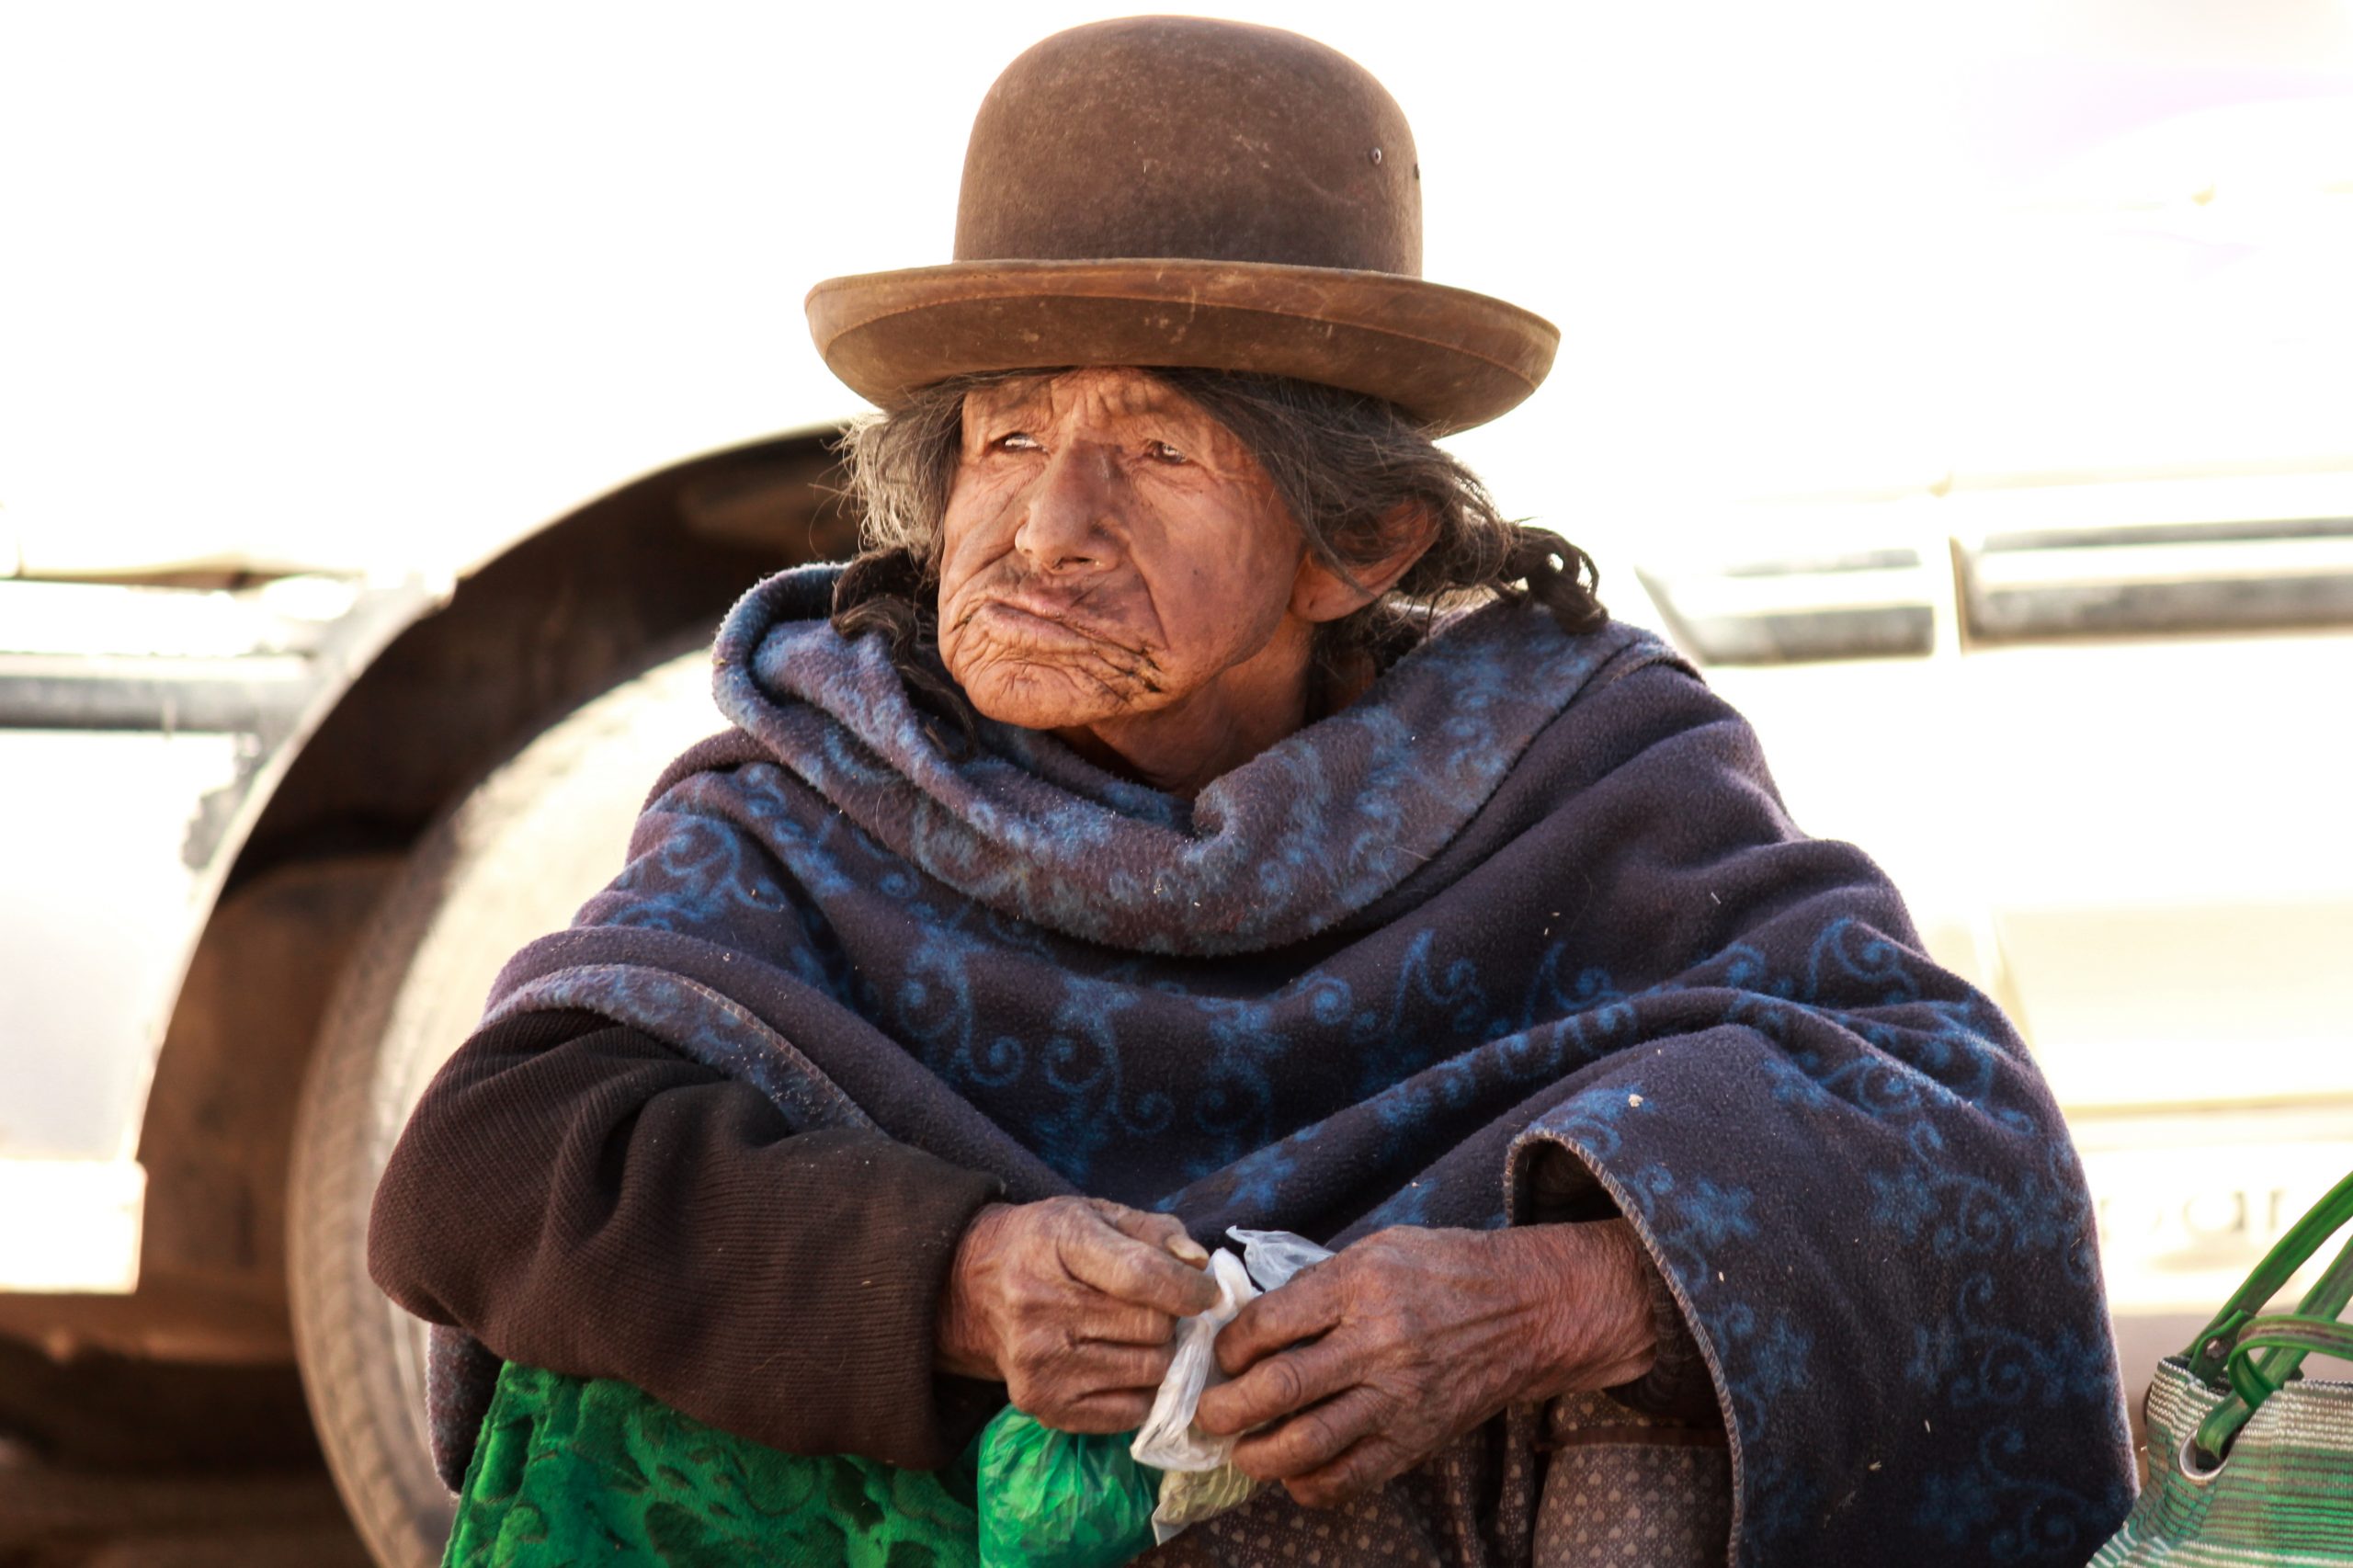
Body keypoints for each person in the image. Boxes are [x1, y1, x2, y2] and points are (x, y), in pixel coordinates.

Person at [370, 17, 2136, 1567]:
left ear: (1358, 543)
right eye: (1004, 436)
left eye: (1155, 449)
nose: (1047, 529)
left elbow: (1954, 1139)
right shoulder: (820, 784)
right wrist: (959, 1275)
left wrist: (1554, 1301)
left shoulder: (1576, 773)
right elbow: (481, 1166)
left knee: (1665, 1350)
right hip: (936, 1508)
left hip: (1427, 1524)